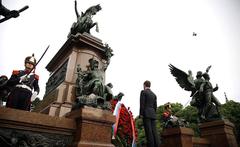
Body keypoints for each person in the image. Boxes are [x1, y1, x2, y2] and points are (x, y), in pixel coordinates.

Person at [139, 80, 160, 147]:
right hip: (153, 114)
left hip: (146, 114)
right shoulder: (154, 94)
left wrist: (141, 114)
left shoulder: (143, 92)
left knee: (149, 132)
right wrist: (154, 113)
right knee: (154, 132)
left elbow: (142, 104)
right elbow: (155, 106)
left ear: (144, 85)